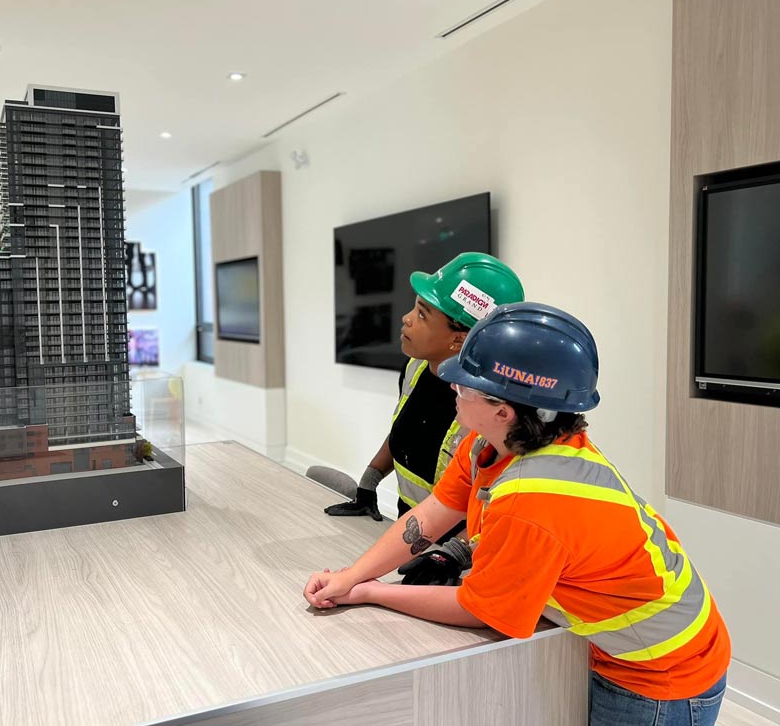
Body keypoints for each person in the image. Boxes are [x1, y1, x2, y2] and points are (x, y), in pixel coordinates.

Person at [304, 302, 731, 726]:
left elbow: (481, 610)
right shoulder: (490, 445)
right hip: (622, 645)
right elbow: (433, 514)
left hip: (662, 674)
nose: (453, 388)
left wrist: (371, 592)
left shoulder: (531, 497)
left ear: (504, 410)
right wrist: (353, 575)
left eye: (465, 385)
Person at [323, 252, 524, 583]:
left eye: (422, 314)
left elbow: (505, 509)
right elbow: (406, 429)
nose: (406, 319)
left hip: (464, 557)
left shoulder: (493, 410)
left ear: (460, 339)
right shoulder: (416, 368)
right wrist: (371, 481)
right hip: (414, 528)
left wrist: (456, 554)